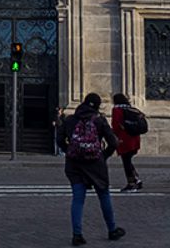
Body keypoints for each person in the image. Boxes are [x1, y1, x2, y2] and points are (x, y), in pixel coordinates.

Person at [56, 93, 126, 246]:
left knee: (78, 199)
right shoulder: (99, 120)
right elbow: (113, 142)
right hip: (96, 165)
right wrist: (103, 156)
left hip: (74, 164)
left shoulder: (70, 120)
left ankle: (77, 235)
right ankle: (112, 229)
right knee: (104, 195)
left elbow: (59, 139)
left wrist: (69, 150)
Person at [109, 93, 147, 191]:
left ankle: (131, 182)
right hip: (134, 138)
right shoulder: (131, 109)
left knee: (126, 162)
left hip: (124, 139)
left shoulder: (117, 110)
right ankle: (136, 180)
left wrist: (114, 136)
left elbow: (116, 125)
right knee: (128, 161)